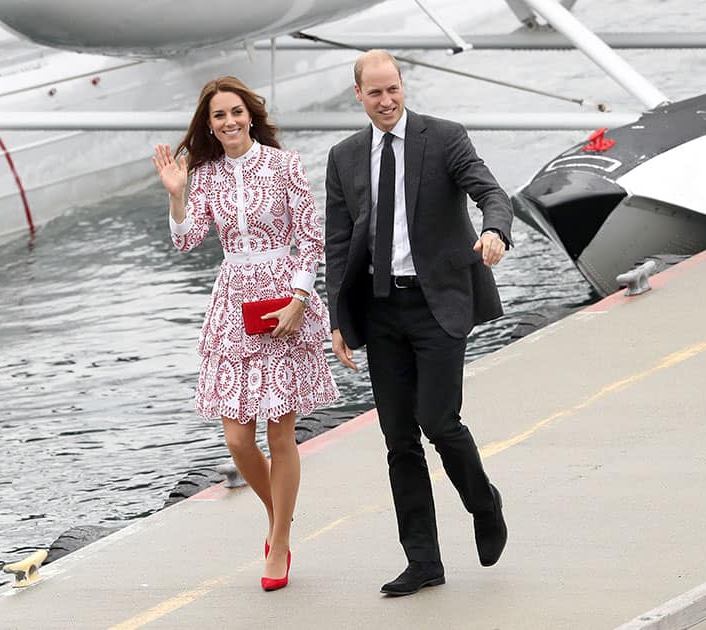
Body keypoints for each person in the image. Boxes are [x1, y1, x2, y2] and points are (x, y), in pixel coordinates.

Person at [324, 50, 511, 596]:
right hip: (381, 310)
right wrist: (340, 316)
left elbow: (490, 193)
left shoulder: (445, 138)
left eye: (393, 90)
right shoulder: (345, 156)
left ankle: (484, 503)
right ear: (358, 95)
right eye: (375, 93)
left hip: (436, 304)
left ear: (404, 88)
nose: (386, 101)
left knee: (438, 421)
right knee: (399, 439)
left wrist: (494, 230)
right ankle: (423, 560)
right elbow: (340, 243)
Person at [152, 75, 339, 592]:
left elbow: (310, 238)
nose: (229, 121)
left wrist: (300, 300)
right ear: (209, 124)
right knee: (237, 437)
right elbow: (188, 241)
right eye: (218, 116)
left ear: (250, 115)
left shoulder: (284, 165)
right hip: (233, 301)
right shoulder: (207, 172)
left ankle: (278, 541)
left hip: (284, 300)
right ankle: (281, 517)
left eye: (236, 112)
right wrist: (177, 195)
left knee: (280, 432)